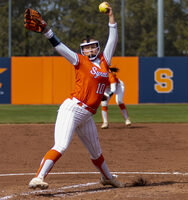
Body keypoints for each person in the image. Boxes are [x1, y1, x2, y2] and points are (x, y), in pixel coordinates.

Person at [24, 2, 123, 190]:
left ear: (98, 47)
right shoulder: (80, 61)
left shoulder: (104, 61)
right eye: (86, 48)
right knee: (61, 145)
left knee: (96, 152)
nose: (90, 50)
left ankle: (108, 177)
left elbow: (113, 39)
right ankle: (38, 177)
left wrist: (111, 17)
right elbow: (60, 47)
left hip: (87, 115)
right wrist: (46, 30)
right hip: (73, 108)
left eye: (93, 47)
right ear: (82, 50)